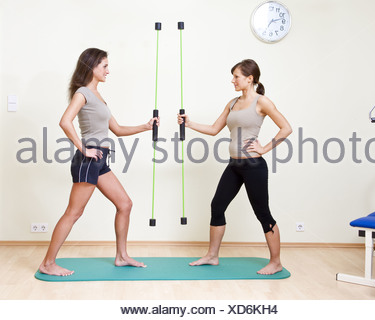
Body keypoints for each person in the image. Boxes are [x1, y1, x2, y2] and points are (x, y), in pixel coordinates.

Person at [39, 48, 159, 276]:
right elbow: (65, 121)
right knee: (74, 212)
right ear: (91, 67)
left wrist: (146, 126)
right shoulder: (82, 92)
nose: (108, 70)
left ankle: (122, 256)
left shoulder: (99, 97)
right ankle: (47, 263)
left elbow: (118, 130)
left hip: (101, 159)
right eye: (104, 65)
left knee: (125, 204)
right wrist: (83, 148)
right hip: (88, 159)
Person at [178, 59, 292, 275]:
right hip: (234, 165)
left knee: (262, 213)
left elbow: (286, 128)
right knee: (217, 206)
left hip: (253, 165)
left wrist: (265, 148)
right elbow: (214, 129)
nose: (233, 80)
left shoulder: (262, 102)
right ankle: (212, 256)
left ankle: (276, 262)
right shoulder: (231, 103)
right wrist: (189, 123)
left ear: (250, 79)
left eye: (236, 77)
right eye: (233, 76)